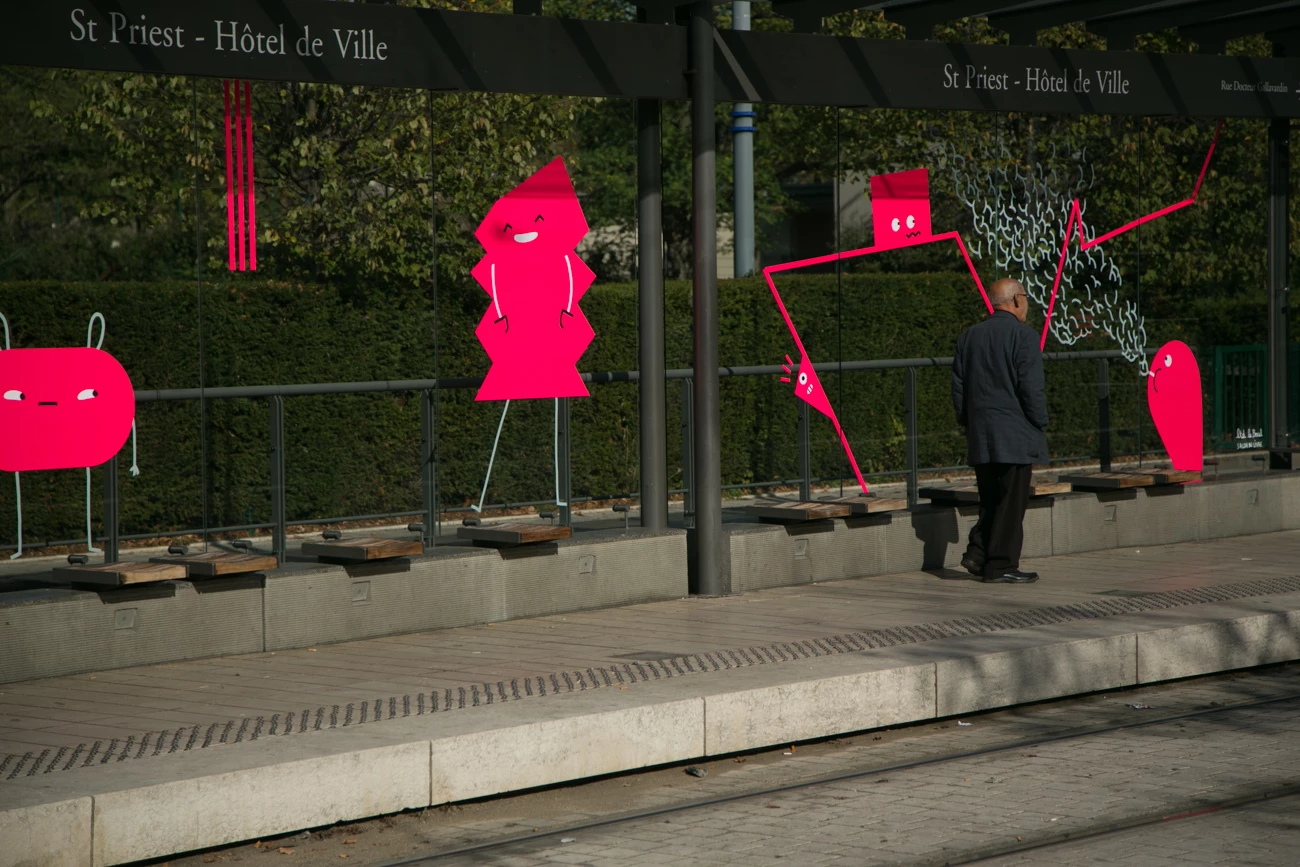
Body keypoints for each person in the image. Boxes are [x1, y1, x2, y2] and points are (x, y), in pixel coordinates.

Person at [951, 278, 1048, 584]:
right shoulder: (1024, 336)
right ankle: (1001, 564)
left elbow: (958, 387)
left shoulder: (969, 336)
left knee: (991, 497)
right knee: (1011, 502)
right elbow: (1030, 387)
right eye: (1027, 298)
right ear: (1017, 300)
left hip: (982, 432)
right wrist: (1041, 420)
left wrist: (968, 421)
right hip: (1015, 433)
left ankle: (979, 554)